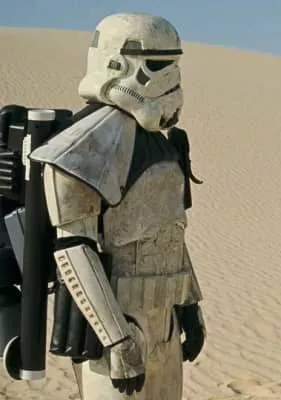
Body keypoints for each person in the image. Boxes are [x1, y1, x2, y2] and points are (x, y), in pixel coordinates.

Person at [27, 12, 206, 399]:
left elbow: (171, 231)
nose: (171, 78)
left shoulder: (164, 142)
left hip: (165, 320)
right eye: (156, 64)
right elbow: (73, 249)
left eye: (173, 64)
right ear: (117, 63)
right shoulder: (82, 147)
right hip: (118, 321)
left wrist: (190, 305)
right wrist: (116, 340)